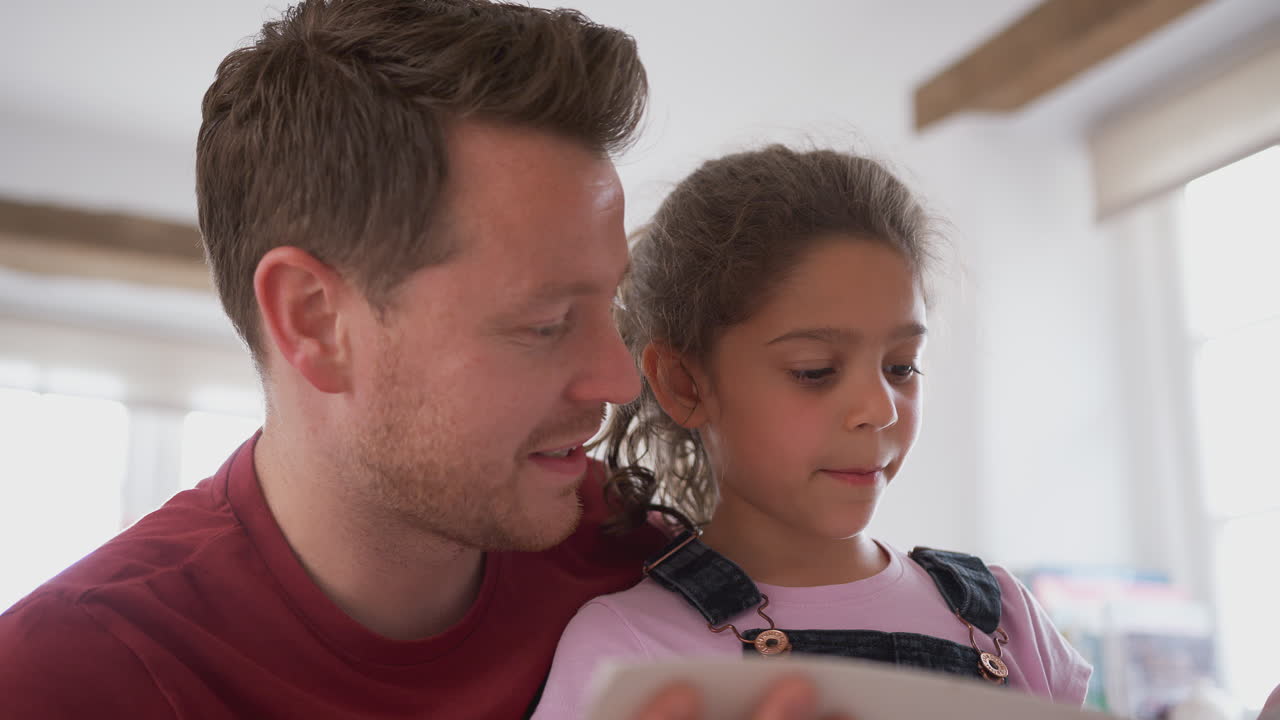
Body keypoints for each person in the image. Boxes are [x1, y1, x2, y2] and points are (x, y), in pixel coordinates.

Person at [3, 2, 848, 718]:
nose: (618, 381)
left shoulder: (654, 573)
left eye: (610, 307)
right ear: (316, 322)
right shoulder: (72, 676)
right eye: (546, 322)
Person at [530, 145, 1095, 719]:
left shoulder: (1005, 617)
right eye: (815, 371)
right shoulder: (626, 650)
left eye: (901, 366)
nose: (880, 408)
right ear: (685, 385)